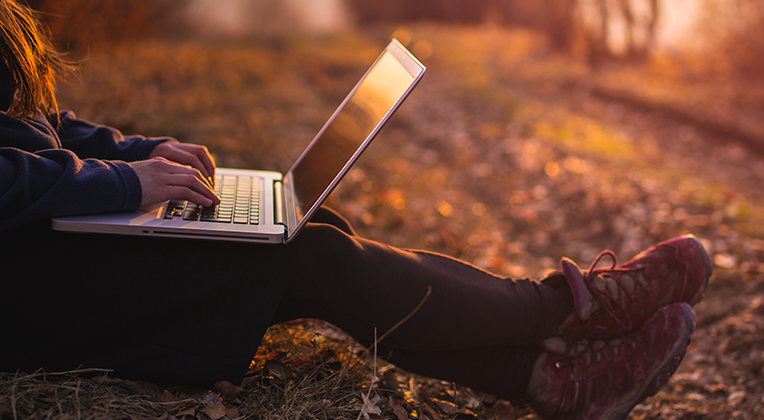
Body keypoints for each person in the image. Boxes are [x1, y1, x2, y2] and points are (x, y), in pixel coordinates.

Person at [0, 1, 712, 419]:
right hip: (30, 292)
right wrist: (125, 187)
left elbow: (36, 125)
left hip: (45, 243)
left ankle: (549, 379)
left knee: (312, 233)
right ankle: (565, 314)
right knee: (302, 253)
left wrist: (142, 152)